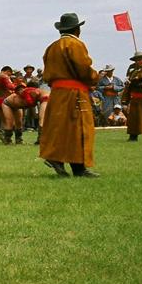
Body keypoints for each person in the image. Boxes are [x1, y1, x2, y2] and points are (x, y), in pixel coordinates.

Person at [39, 13, 100, 178]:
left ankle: (57, 158)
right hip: (75, 94)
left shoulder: (51, 47)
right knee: (79, 129)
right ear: (77, 29)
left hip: (57, 93)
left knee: (60, 129)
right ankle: (78, 168)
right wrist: (95, 77)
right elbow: (84, 68)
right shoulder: (75, 44)